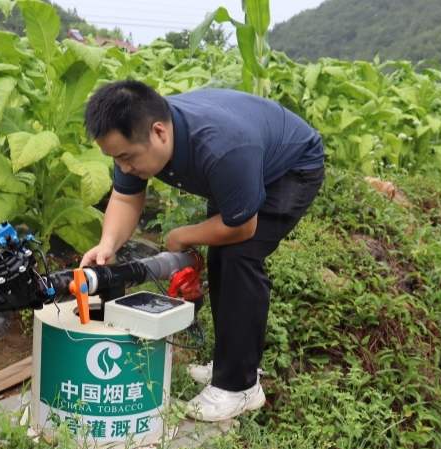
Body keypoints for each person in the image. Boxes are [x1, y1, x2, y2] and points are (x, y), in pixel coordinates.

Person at [80, 80, 325, 422]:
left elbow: (243, 227)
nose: (123, 168)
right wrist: (107, 245)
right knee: (221, 253)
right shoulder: (142, 137)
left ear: (159, 132)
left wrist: (183, 235)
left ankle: (240, 388)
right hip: (245, 159)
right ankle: (230, 365)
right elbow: (125, 197)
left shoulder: (221, 148)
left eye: (126, 158)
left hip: (290, 167)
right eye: (114, 159)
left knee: (240, 254)